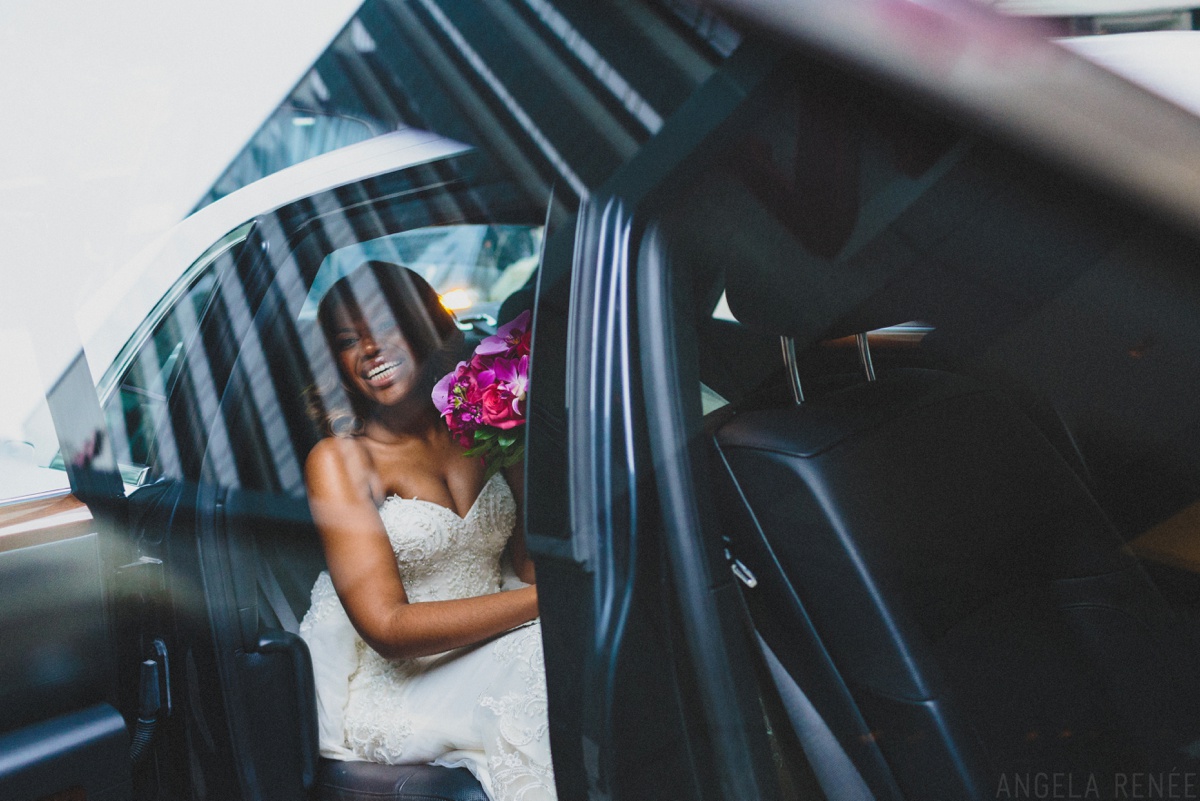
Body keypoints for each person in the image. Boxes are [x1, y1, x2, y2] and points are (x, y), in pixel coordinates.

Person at [298, 261, 556, 801]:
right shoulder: (342, 461)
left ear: (424, 326)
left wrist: (520, 434)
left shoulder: (478, 423)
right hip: (406, 686)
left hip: (499, 640)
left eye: (385, 324)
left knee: (579, 645)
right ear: (338, 364)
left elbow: (530, 563)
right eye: (349, 340)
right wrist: (546, 603)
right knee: (538, 658)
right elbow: (388, 629)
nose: (369, 348)